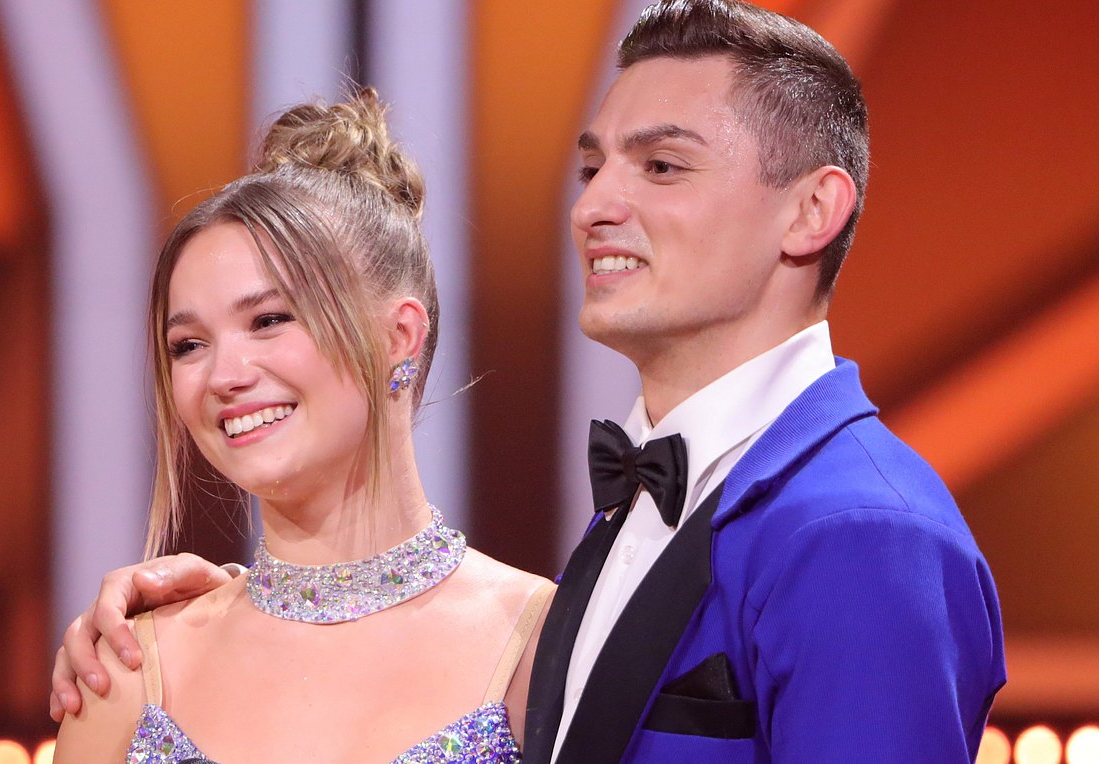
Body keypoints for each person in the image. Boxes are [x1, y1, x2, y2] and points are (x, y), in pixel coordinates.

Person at [52, 2, 1006, 761]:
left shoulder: (858, 532)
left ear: (810, 210)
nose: (595, 205)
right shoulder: (624, 535)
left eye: (661, 164)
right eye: (592, 168)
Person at [50, 89, 553, 763]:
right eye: (189, 345)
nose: (224, 375)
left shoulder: (544, 643)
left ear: (399, 336)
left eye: (269, 320)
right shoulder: (128, 668)